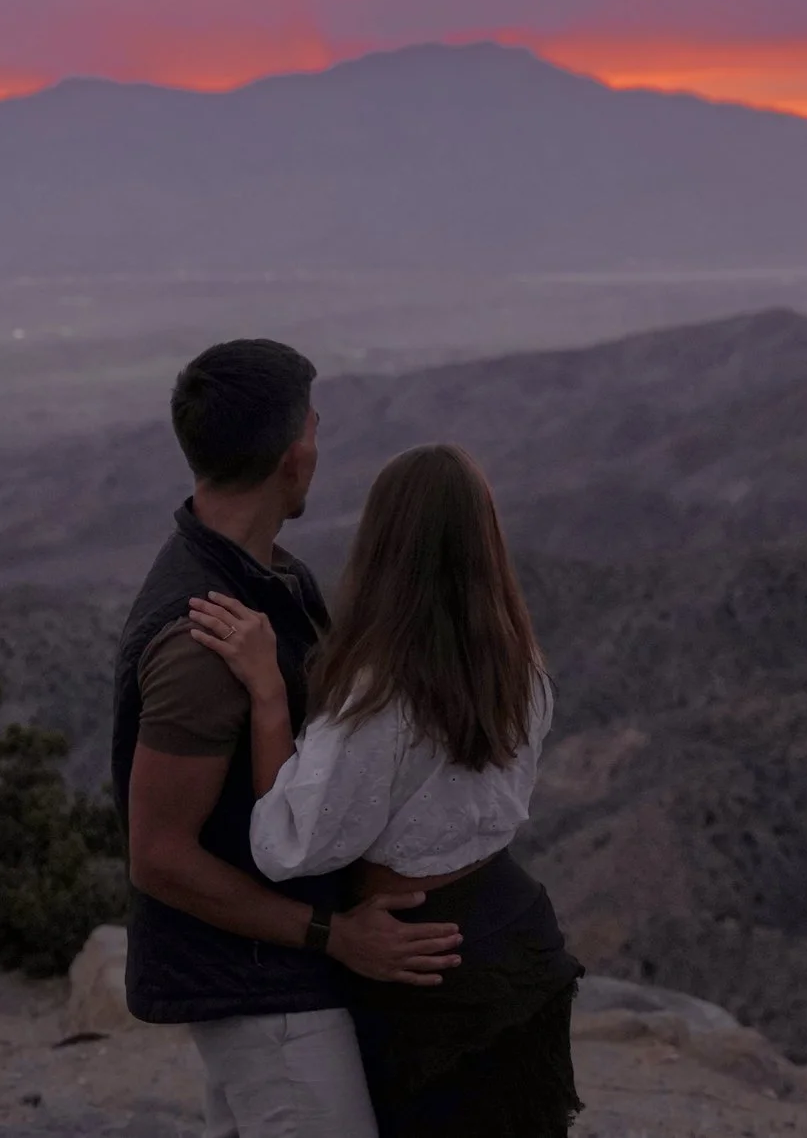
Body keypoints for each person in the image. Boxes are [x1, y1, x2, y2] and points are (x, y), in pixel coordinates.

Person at [113, 338, 464, 1138]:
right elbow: (159, 854)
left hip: (274, 979)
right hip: (262, 993)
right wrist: (335, 935)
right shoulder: (202, 639)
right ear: (295, 455)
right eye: (313, 427)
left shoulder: (269, 577)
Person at [188, 442, 584, 1138]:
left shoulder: (381, 694)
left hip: (426, 963)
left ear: (382, 544)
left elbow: (288, 843)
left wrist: (270, 695)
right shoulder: (520, 666)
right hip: (517, 932)